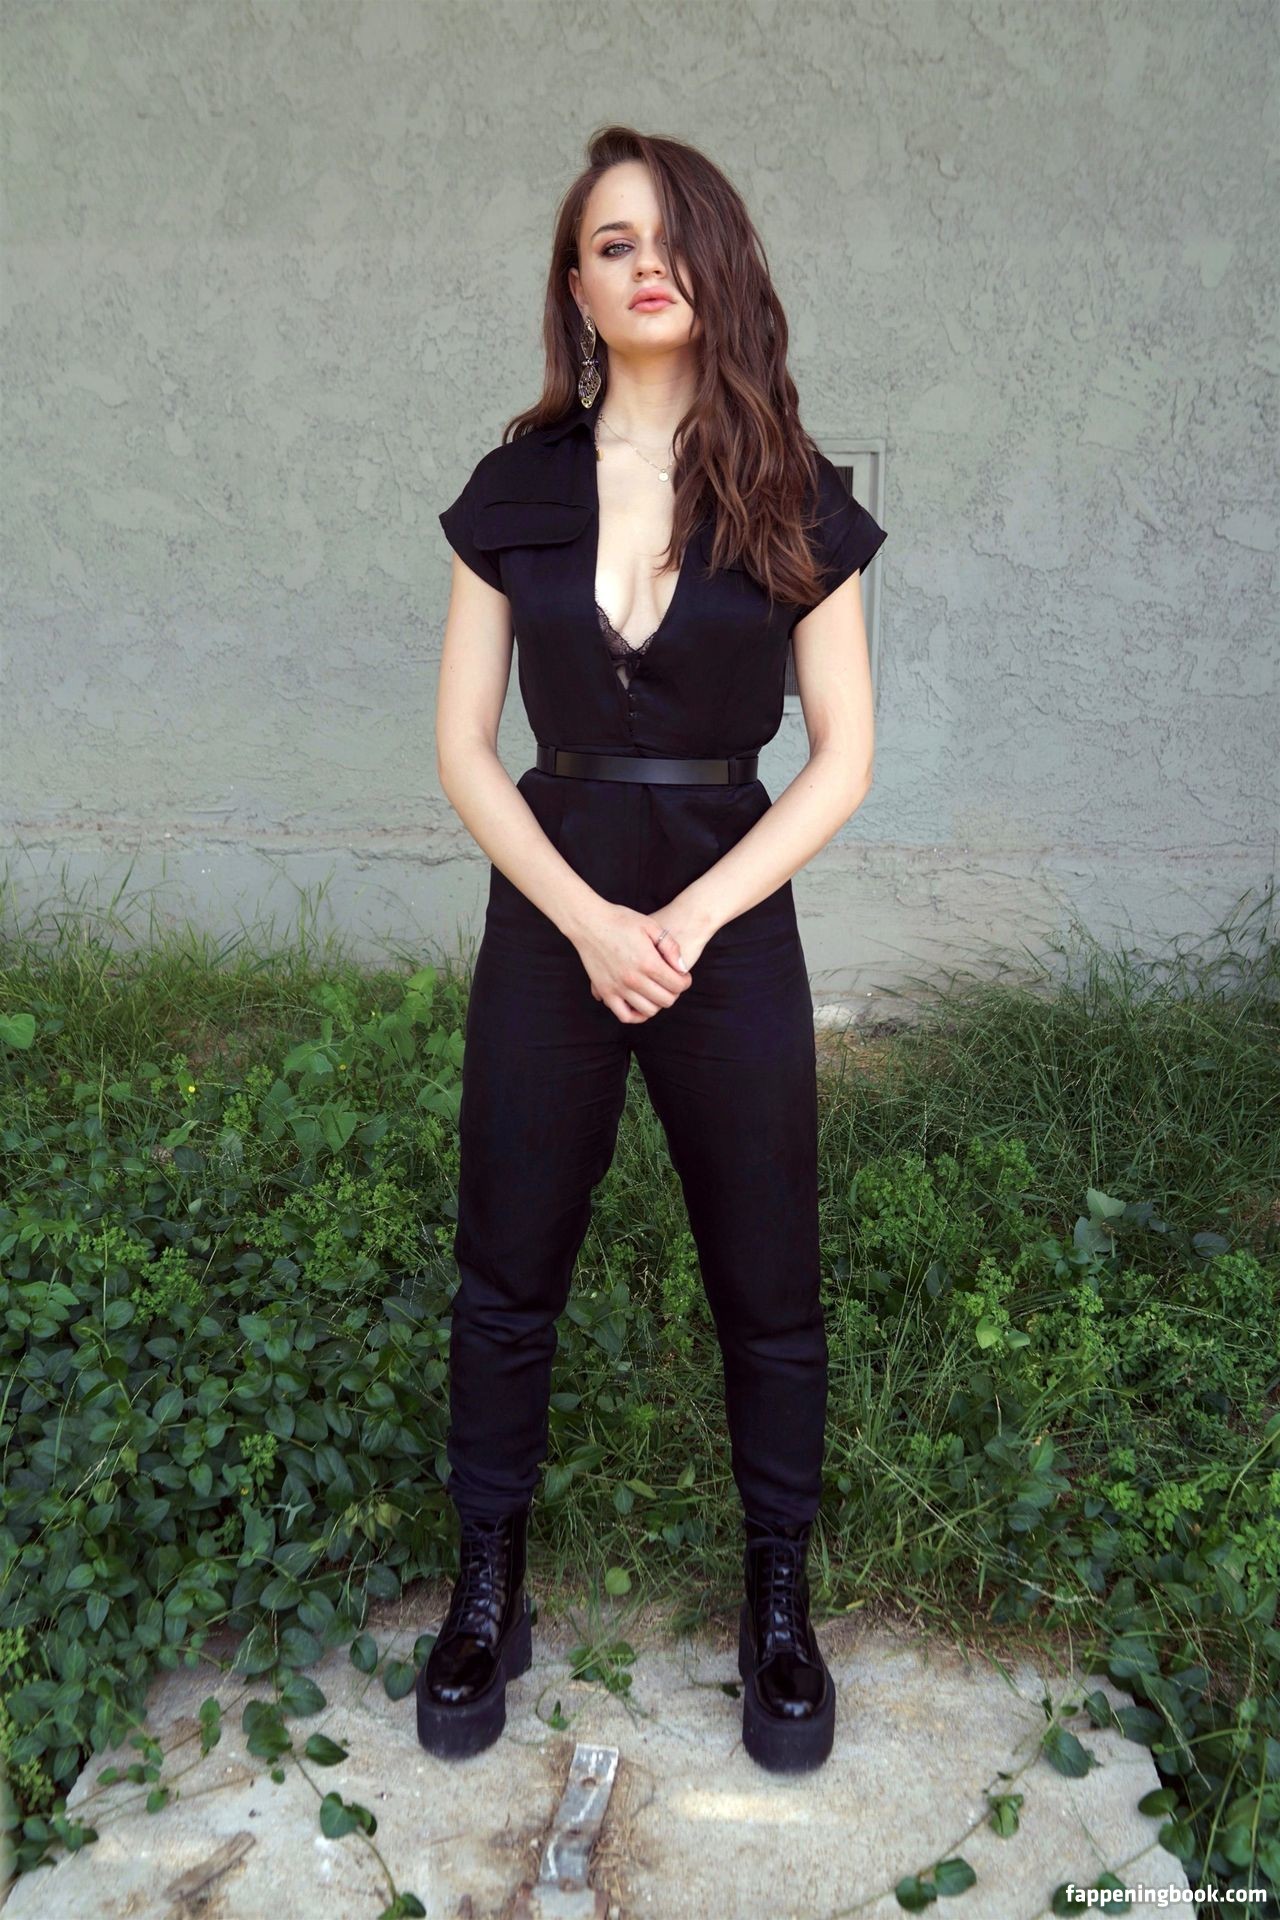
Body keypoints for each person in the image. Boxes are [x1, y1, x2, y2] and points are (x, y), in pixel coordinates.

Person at [416, 125, 886, 1774]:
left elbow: (843, 758)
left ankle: (778, 1603)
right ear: (577, 284)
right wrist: (587, 921)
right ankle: (487, 1589)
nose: (646, 264)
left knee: (769, 1277)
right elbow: (466, 747)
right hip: (554, 912)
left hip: (724, 924)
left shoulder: (793, 488)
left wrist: (685, 920)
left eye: (672, 235)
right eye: (612, 242)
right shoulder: (516, 489)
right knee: (505, 1271)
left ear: (722, 264)